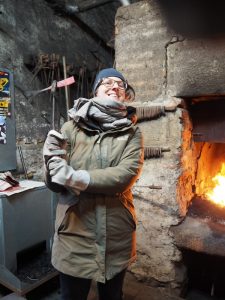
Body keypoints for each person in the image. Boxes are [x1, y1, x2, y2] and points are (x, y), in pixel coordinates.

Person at [43, 68, 144, 300]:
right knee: (71, 296)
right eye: (106, 82)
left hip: (115, 236)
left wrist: (75, 177)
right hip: (74, 233)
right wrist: (48, 161)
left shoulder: (132, 133)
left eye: (120, 84)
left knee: (112, 296)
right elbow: (55, 184)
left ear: (125, 95)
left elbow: (125, 175)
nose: (114, 86)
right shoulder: (70, 129)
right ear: (95, 90)